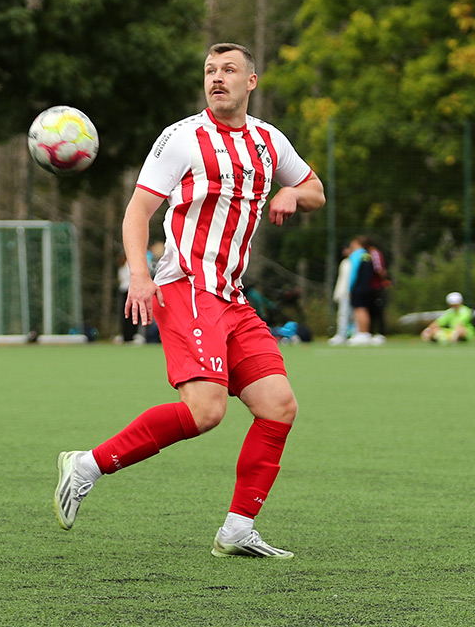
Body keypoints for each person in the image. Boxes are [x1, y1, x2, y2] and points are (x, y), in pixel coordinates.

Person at [54, 42, 325, 559]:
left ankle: (238, 529)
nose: (217, 78)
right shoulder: (182, 138)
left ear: (252, 81)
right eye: (209, 71)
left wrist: (293, 193)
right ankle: (87, 465)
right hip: (187, 286)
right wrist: (139, 275)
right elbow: (137, 214)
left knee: (278, 407)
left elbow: (316, 190)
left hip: (232, 295)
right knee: (206, 411)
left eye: (229, 70)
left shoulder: (269, 141)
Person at [346, 237, 376, 345]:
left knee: (359, 309)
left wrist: (350, 287)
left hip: (358, 287)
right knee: (364, 309)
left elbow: (353, 272)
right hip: (367, 286)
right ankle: (365, 333)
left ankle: (362, 333)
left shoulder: (356, 255)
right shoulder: (367, 255)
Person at [328, 244, 353, 345]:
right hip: (343, 293)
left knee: (352, 316)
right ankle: (341, 335)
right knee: (342, 315)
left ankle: (352, 334)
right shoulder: (344, 262)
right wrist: (338, 293)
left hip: (350, 293)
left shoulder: (353, 262)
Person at [115, 254, 135, 344]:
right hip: (125, 291)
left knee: (130, 314)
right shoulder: (123, 266)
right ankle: (126, 336)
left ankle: (130, 335)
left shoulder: (129, 265)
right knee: (126, 315)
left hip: (129, 290)